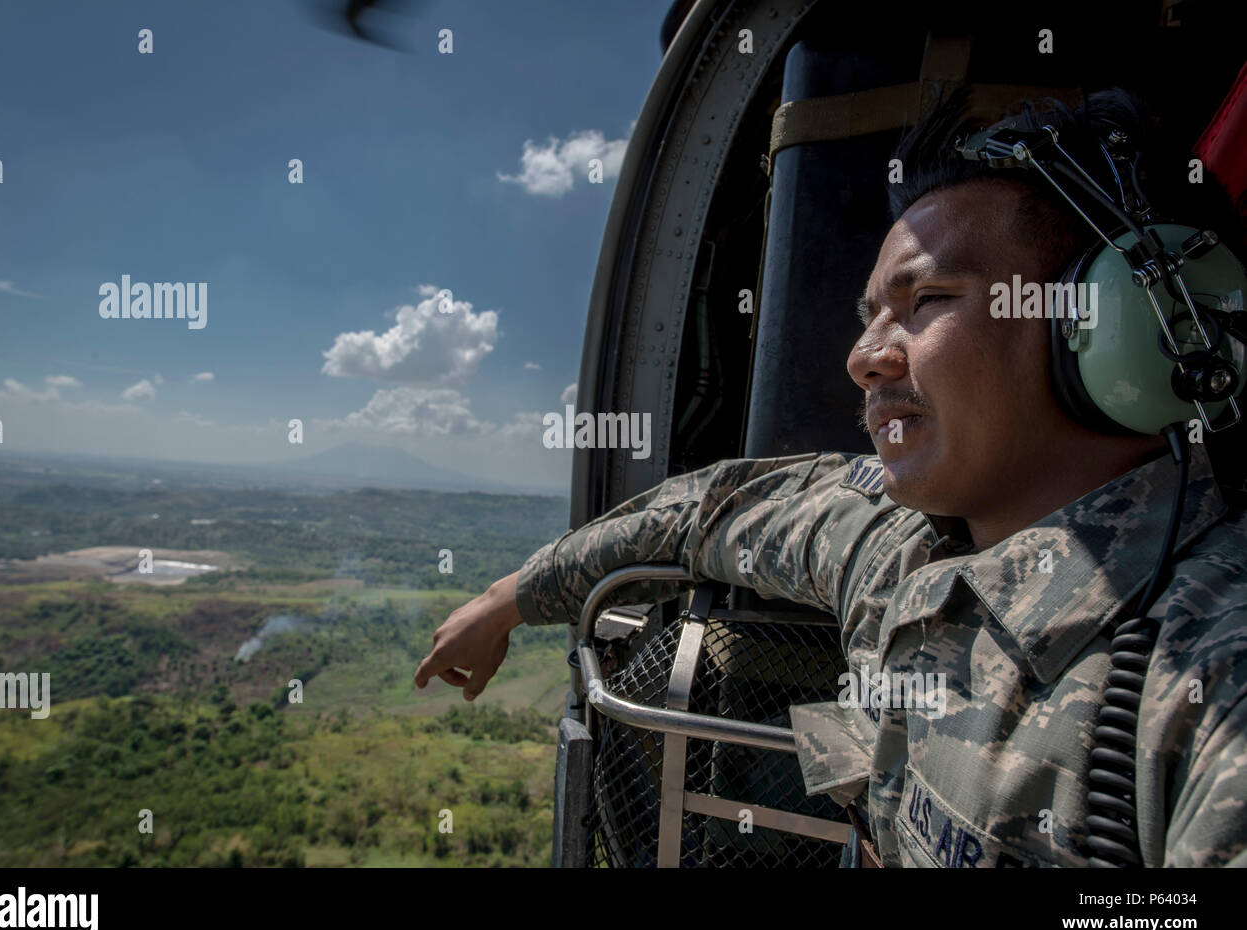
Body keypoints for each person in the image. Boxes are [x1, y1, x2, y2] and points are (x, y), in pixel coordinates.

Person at [415, 88, 1247, 867]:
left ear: (1117, 325)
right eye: (869, 318)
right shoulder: (890, 544)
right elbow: (711, 509)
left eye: (926, 301)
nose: (863, 359)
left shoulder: (1208, 669)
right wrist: (508, 600)